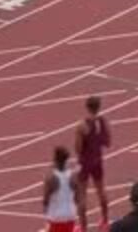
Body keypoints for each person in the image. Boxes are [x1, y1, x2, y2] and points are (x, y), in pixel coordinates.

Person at [76, 95, 112, 232]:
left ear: (87, 107)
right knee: (101, 190)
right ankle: (105, 220)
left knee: (82, 195)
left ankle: (83, 227)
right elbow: (108, 142)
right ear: (98, 107)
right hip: (97, 160)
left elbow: (78, 148)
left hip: (85, 162)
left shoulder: (81, 126)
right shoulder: (102, 121)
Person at [42, 146, 78, 232]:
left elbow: (46, 199)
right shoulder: (73, 176)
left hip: (56, 217)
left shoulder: (51, 178)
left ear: (55, 160)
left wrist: (46, 212)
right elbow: (77, 197)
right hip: (70, 214)